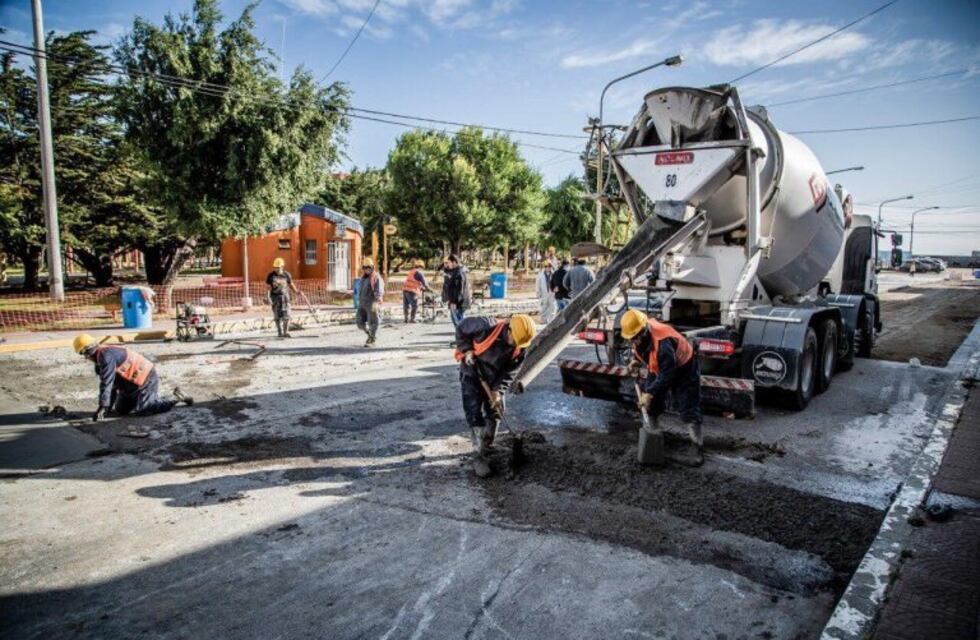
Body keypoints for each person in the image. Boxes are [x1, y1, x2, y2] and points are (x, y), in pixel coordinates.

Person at [455, 314, 536, 477]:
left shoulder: (520, 346)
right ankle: (478, 454)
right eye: (514, 340)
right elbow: (461, 328)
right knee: (473, 412)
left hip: (494, 379)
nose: (516, 345)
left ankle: (487, 445)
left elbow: (511, 371)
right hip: (472, 373)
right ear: (509, 330)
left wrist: (498, 390)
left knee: (497, 410)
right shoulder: (485, 326)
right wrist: (467, 349)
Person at [620, 309, 703, 465]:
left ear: (643, 332)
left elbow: (667, 375)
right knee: (651, 405)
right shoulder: (642, 336)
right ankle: (654, 439)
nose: (633, 342)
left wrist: (649, 393)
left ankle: (697, 451)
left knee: (688, 407)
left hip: (684, 368)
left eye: (634, 338)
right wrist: (635, 361)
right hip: (660, 367)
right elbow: (644, 351)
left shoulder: (663, 344)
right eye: (630, 339)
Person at [72, 334, 192, 422]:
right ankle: (150, 399)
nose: (85, 358)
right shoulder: (100, 362)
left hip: (146, 379)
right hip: (130, 385)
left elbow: (106, 383)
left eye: (84, 354)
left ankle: (175, 398)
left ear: (88, 351)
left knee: (144, 409)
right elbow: (111, 385)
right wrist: (107, 407)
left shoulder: (105, 356)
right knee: (121, 410)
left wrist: (102, 406)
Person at [266, 257, 299, 338]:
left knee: (287, 315)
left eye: (279, 267)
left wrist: (296, 291)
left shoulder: (287, 275)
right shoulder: (271, 276)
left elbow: (291, 284)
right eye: (275, 267)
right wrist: (268, 297)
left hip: (285, 298)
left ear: (282, 267)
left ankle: (286, 332)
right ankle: (279, 332)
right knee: (277, 316)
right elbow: (268, 288)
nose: (277, 269)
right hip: (275, 298)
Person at [357, 257, 385, 347]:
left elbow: (379, 290)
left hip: (372, 303)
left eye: (368, 267)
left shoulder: (376, 278)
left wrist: (377, 301)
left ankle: (372, 339)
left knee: (373, 322)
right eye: (365, 267)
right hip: (362, 303)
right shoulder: (363, 278)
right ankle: (369, 334)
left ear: (372, 267)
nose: (367, 269)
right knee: (359, 322)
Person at [442, 255, 471, 328]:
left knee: (459, 322)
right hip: (457, 301)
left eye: (449, 262)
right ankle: (462, 333)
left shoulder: (459, 273)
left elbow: (459, 290)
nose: (448, 265)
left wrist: (454, 302)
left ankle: (462, 334)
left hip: (458, 302)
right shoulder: (457, 271)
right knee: (458, 321)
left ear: (454, 262)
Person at [402, 259, 432, 323]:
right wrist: (430, 290)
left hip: (405, 289)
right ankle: (412, 319)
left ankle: (406, 319)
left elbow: (414, 281)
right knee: (415, 305)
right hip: (412, 291)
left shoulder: (412, 271)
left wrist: (421, 287)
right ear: (421, 266)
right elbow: (425, 283)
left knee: (406, 305)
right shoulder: (419, 272)